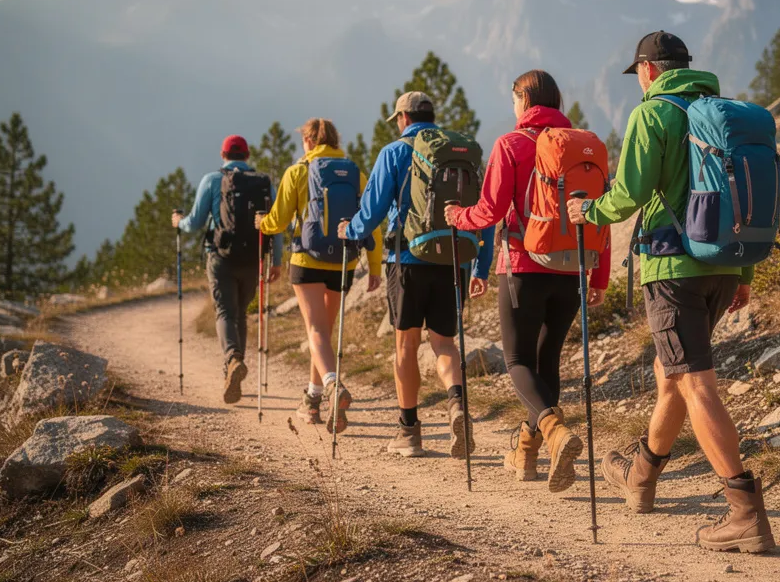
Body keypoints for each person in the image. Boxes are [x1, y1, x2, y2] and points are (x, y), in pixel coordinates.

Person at [565, 31, 772, 554]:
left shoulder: (652, 114)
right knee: (670, 375)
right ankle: (641, 474)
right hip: (724, 263)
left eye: (637, 72)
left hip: (673, 266)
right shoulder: (719, 109)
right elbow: (739, 196)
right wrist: (743, 274)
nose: (638, 81)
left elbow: (632, 191)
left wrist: (589, 212)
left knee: (692, 380)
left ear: (649, 69)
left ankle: (744, 511)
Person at [443, 70, 612, 492]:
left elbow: (489, 210)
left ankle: (554, 432)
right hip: (574, 265)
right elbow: (598, 214)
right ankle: (526, 451)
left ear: (523, 99)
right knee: (547, 359)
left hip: (523, 263)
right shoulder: (584, 147)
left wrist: (456, 218)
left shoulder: (512, 144)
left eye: (513, 99)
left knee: (519, 361)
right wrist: (600, 276)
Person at [340, 92, 494, 460]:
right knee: (443, 343)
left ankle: (409, 432)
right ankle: (457, 405)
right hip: (453, 258)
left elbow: (373, 209)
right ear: (431, 116)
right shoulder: (460, 155)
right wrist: (480, 265)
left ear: (403, 118)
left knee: (406, 345)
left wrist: (351, 230)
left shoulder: (394, 152)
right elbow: (484, 212)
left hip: (406, 259)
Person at [258, 118, 383, 433]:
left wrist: (261, 224)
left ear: (309, 141)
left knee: (315, 331)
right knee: (324, 336)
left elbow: (279, 218)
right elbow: (373, 223)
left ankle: (331, 385)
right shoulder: (357, 174)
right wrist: (376, 266)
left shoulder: (298, 172)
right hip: (344, 261)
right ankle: (312, 401)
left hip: (306, 259)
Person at [173, 134, 279, 404]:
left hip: (221, 257)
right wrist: (276, 260)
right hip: (252, 259)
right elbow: (275, 224)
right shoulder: (264, 182)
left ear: (223, 155)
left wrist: (179, 223)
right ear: (247, 155)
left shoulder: (212, 181)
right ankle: (235, 365)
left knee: (224, 311)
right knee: (240, 313)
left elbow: (195, 222)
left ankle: (232, 359)